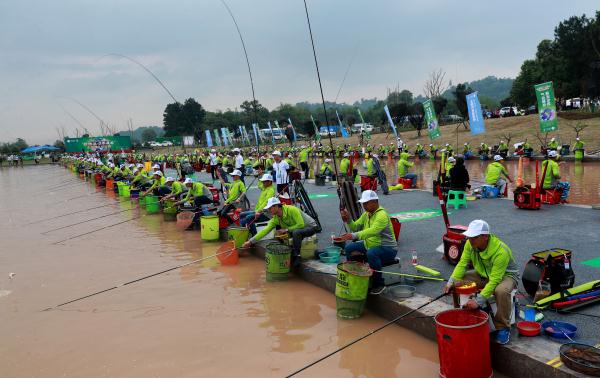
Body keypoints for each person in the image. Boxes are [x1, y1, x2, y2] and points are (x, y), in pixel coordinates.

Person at [443, 220, 519, 345]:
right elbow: (462, 263)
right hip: (484, 273)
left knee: (501, 290)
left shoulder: (501, 251)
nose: (470, 240)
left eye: (474, 237)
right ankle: (460, 312)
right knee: (457, 283)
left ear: (485, 237)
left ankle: (503, 327)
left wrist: (478, 301)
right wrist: (450, 282)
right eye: (469, 236)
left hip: (506, 276)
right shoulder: (470, 244)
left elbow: (495, 279)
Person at [338, 190, 397, 295]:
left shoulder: (382, 215)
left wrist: (353, 235)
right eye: (363, 203)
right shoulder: (367, 214)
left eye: (366, 203)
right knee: (349, 248)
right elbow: (355, 226)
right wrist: (348, 220)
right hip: (369, 245)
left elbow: (373, 231)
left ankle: (379, 284)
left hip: (388, 248)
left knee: (371, 253)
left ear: (375, 201)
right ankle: (355, 276)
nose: (364, 205)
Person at [242, 197, 319, 267]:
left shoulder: (292, 209)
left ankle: (297, 256)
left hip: (310, 227)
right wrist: (250, 242)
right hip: (296, 229)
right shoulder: (275, 218)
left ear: (276, 206)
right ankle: (290, 254)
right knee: (279, 235)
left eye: (270, 208)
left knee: (296, 232)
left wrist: (286, 230)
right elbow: (264, 231)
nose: (268, 210)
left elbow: (301, 224)